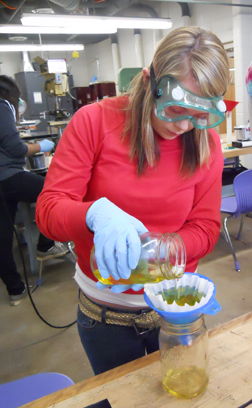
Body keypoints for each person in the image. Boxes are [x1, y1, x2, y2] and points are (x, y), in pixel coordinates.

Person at [36, 26, 230, 375]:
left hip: (175, 309)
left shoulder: (207, 143)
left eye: (200, 117)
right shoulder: (93, 122)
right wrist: (94, 213)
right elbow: (49, 212)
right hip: (106, 315)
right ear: (148, 81)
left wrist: (156, 251)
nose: (186, 126)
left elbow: (205, 227)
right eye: (175, 110)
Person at [0, 75, 70, 306]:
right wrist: (41, 146)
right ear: (11, 95)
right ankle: (45, 244)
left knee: (2, 238)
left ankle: (16, 289)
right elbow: (15, 148)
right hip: (9, 177)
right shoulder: (3, 106)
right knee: (55, 192)